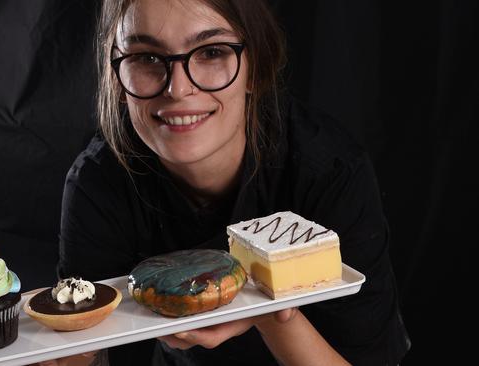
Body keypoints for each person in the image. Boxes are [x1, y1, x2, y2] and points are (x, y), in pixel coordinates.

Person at [54, 0, 410, 365]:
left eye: (211, 52)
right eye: (146, 58)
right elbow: (78, 339)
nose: (177, 88)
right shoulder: (99, 181)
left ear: (255, 67)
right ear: (117, 74)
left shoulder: (328, 172)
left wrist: (268, 314)